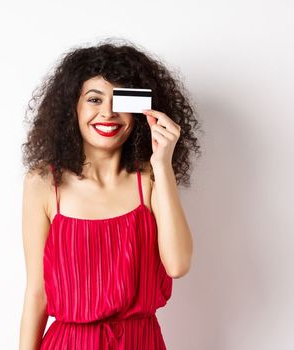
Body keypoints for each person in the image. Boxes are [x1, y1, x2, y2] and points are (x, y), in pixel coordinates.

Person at [18, 40, 201, 350]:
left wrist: (163, 165)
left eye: (121, 101)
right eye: (94, 99)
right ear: (71, 108)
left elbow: (178, 265)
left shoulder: (152, 179)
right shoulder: (43, 183)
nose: (108, 113)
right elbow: (38, 292)